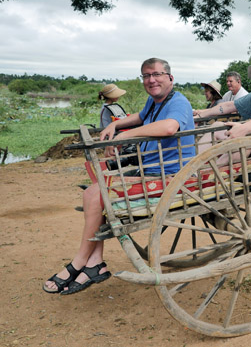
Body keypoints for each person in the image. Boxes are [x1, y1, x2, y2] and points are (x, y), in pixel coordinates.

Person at [43, 58, 196, 295]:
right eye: (146, 76)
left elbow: (169, 128)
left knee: (96, 194)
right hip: (151, 171)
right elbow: (140, 116)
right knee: (93, 193)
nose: (151, 80)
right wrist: (116, 125)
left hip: (170, 175)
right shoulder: (154, 102)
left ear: (170, 77)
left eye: (157, 74)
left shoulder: (178, 102)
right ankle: (94, 262)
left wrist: (126, 135)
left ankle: (80, 261)